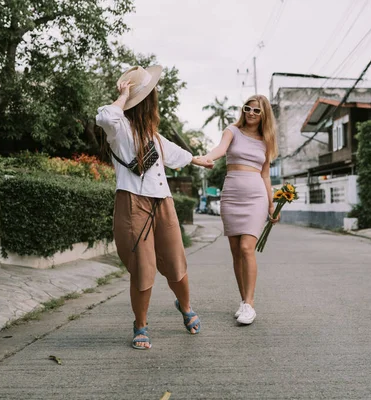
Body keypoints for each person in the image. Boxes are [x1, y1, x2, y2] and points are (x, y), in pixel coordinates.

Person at [96, 65, 213, 349]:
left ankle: (185, 306)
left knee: (175, 262)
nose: (153, 97)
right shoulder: (119, 127)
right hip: (133, 203)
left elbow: (172, 152)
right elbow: (104, 115)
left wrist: (196, 159)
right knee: (142, 267)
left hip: (163, 202)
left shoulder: (153, 135)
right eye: (149, 93)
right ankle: (141, 324)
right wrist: (123, 97)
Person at [203, 94, 279, 325]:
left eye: (257, 111)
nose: (252, 113)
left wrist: (271, 203)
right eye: (248, 108)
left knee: (247, 248)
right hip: (232, 194)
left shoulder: (266, 141)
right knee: (236, 251)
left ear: (264, 115)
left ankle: (250, 304)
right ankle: (243, 301)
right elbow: (220, 148)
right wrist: (205, 158)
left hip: (255, 195)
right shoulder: (232, 131)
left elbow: (265, 175)